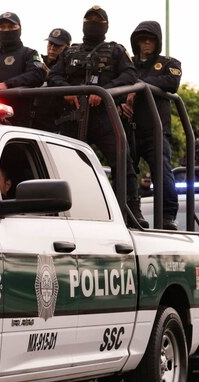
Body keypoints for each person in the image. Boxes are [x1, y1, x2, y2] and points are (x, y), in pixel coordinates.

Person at [48, 6, 145, 228]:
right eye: (89, 19)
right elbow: (54, 75)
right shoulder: (71, 52)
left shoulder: (116, 51)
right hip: (73, 116)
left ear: (105, 26)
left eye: (97, 21)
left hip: (104, 115)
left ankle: (131, 210)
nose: (92, 23)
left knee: (122, 161)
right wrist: (67, 91)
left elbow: (130, 75)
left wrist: (104, 91)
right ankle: (61, 211)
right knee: (63, 164)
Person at [121, 20, 181, 230]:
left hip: (155, 130)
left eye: (150, 40)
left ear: (157, 42)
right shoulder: (127, 66)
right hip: (129, 128)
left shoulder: (169, 63)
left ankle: (166, 216)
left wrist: (139, 87)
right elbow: (116, 85)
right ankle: (127, 212)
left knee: (162, 172)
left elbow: (171, 83)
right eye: (142, 40)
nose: (146, 43)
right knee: (123, 171)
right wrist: (121, 104)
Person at [31, 28, 71, 133]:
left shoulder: (70, 68)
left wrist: (51, 76)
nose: (52, 48)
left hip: (57, 124)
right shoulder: (38, 64)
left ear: (67, 47)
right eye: (50, 44)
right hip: (35, 121)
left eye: (57, 46)